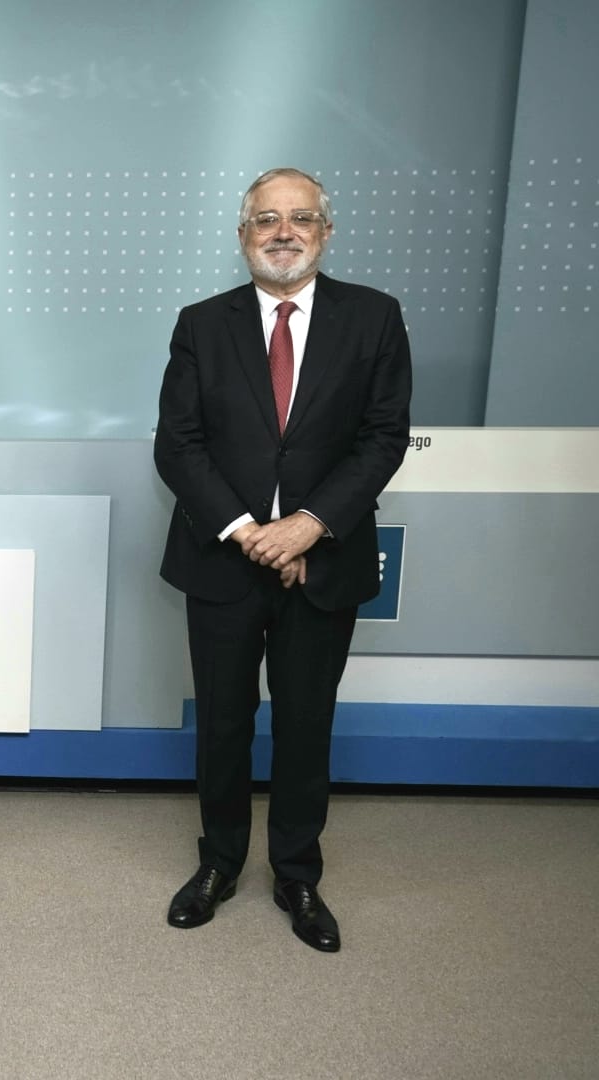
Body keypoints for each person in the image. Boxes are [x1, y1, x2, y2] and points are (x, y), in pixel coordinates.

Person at [153, 168, 412, 951]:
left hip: (323, 562)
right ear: (243, 237)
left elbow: (382, 438)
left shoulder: (374, 318)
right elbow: (179, 442)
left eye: (301, 218)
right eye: (266, 219)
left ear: (325, 233)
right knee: (224, 724)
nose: (283, 231)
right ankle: (219, 864)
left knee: (306, 724)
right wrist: (251, 530)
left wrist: (307, 526)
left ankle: (297, 874)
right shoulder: (202, 324)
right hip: (225, 560)